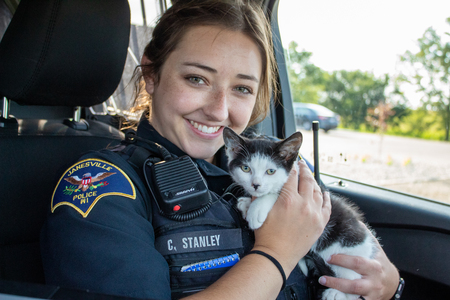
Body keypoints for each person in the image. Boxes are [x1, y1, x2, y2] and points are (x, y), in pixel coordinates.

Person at [41, 0, 401, 299]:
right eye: (196, 79)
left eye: (242, 89)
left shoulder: (278, 164)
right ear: (151, 74)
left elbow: (369, 265)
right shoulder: (103, 187)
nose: (218, 110)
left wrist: (388, 286)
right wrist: (276, 253)